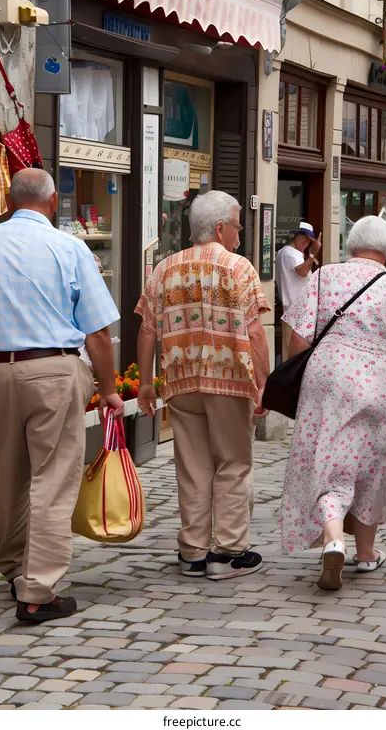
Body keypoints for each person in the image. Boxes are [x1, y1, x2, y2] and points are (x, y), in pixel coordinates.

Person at [0, 168, 123, 623]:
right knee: (53, 477)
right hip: (54, 370)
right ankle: (38, 590)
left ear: (8, 198)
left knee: (12, 472)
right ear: (53, 200)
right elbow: (98, 332)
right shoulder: (69, 247)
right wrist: (109, 388)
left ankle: (13, 564)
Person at [280, 215, 386, 591]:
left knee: (328, 460)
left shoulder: (324, 276)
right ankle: (366, 553)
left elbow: (298, 337)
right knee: (375, 466)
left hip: (328, 378)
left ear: (351, 245)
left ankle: (333, 537)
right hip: (385, 384)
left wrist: (298, 375)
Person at [136, 190, 270, 580]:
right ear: (219, 228)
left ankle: (193, 551)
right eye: (237, 227)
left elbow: (147, 329)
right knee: (232, 462)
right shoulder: (238, 268)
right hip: (228, 379)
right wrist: (263, 382)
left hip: (181, 380)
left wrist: (146, 383)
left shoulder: (164, 269)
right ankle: (227, 552)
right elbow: (255, 332)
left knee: (192, 465)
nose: (240, 235)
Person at [275, 221, 322, 360]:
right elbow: (301, 271)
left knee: (289, 351)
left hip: (291, 309)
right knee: (295, 354)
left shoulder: (283, 252)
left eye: (309, 239)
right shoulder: (292, 253)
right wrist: (313, 255)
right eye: (304, 237)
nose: (306, 242)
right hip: (297, 310)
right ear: (295, 236)